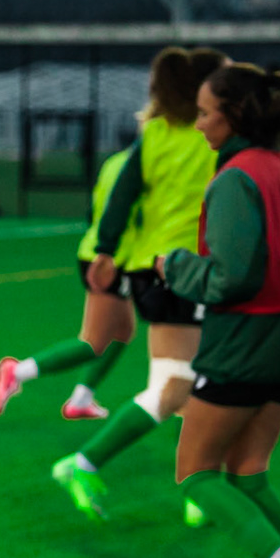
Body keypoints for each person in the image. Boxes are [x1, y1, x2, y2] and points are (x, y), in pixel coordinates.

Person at [161, 63, 280, 558]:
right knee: (251, 472)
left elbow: (232, 278)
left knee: (195, 473)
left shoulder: (235, 178)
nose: (200, 122)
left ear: (235, 116)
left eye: (207, 112)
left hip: (246, 339)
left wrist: (175, 266)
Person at [49, 46, 229, 521]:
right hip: (186, 273)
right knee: (179, 386)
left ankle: (199, 489)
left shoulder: (155, 134)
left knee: (200, 382)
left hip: (153, 269)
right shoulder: (216, 137)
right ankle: (84, 462)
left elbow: (123, 195)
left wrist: (106, 250)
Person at [0, 147, 144, 421]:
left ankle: (81, 400)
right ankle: (16, 371)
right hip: (111, 260)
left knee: (123, 331)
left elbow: (95, 208)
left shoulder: (116, 161)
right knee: (94, 343)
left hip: (100, 253)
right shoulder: (143, 164)